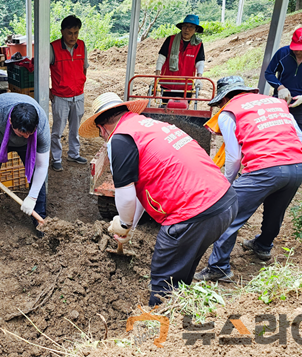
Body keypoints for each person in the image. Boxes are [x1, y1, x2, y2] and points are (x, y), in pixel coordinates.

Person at [79, 92, 238, 307]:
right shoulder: (148, 125)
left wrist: (123, 223)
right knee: (183, 265)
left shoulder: (120, 138)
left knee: (163, 280)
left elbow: (125, 196)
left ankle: (158, 324)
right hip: (225, 201)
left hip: (193, 212)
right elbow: (138, 194)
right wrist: (129, 227)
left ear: (101, 128)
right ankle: (178, 307)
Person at [194, 76, 302, 282]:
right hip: (298, 164)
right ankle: (263, 246)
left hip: (265, 168)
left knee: (229, 214)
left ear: (225, 97)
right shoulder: (276, 103)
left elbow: (234, 156)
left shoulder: (228, 112)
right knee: (276, 211)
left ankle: (219, 267)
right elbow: (300, 138)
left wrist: (227, 184)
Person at [0, 92, 50, 234]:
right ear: (11, 122)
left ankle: (39, 218)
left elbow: (41, 166)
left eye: (29, 134)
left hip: (29, 146)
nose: (26, 136)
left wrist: (31, 197)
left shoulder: (41, 127)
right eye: (22, 134)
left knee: (35, 176)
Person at [49, 15, 89, 172]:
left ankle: (74, 154)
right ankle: (56, 158)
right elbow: (42, 70)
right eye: (70, 33)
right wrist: (49, 91)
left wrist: (81, 83)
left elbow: (84, 67)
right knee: (58, 130)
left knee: (75, 128)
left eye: (76, 32)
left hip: (78, 95)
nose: (73, 37)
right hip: (60, 97)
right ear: (62, 32)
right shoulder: (53, 48)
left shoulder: (82, 46)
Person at [155, 14, 205, 104]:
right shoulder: (170, 40)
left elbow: (200, 62)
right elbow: (161, 57)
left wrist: (199, 78)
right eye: (185, 26)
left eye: (191, 27)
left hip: (186, 86)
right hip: (168, 84)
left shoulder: (198, 44)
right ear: (181, 27)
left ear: (196, 30)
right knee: (166, 108)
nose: (187, 29)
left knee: (183, 109)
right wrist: (157, 76)